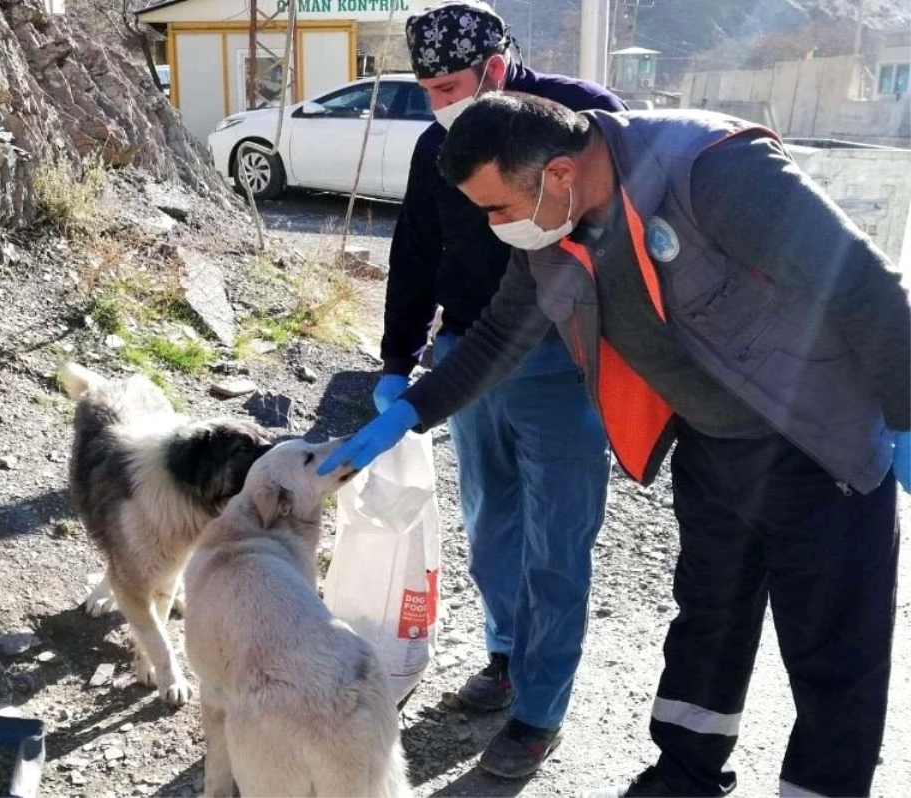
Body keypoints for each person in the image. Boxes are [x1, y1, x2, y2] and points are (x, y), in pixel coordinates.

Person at [322, 93, 909, 798]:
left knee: (832, 655)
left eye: (497, 208)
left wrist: (906, 417)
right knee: (709, 623)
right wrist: (408, 413)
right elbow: (497, 337)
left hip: (822, 448)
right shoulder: (555, 233)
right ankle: (686, 776)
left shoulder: (716, 172)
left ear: (560, 174)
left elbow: (866, 287)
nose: (492, 226)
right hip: (715, 448)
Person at [378, 0, 623, 778]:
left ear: (494, 67)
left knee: (557, 539)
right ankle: (507, 656)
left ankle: (540, 710)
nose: (439, 103)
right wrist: (396, 362)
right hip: (467, 358)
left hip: (563, 360)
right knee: (491, 524)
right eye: (427, 90)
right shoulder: (435, 149)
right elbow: (415, 254)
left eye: (450, 85)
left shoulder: (582, 119)